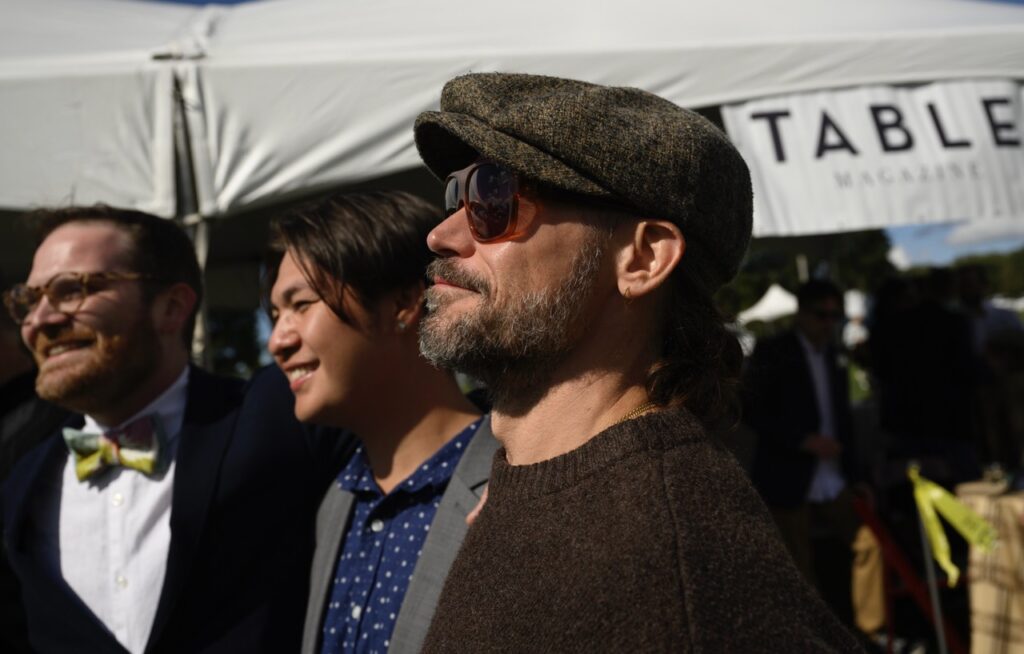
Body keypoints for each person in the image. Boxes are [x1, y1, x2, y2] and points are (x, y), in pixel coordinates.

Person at [412, 73, 861, 652]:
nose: (441, 234)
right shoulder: (552, 486)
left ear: (643, 258)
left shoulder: (680, 576)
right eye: (456, 195)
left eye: (492, 196)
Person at [1, 205, 347, 654]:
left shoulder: (277, 414)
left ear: (171, 308)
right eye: (28, 301)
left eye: (72, 290)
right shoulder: (20, 483)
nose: (39, 321)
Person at [266, 191, 498, 654]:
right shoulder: (337, 501)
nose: (277, 341)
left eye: (301, 304)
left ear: (403, 304)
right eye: (274, 315)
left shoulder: (514, 481)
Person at [745, 279, 871, 627]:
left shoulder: (834, 354)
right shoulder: (773, 351)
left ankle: (872, 628)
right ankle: (814, 636)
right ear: (801, 313)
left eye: (835, 316)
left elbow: (843, 419)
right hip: (788, 474)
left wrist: (858, 476)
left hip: (833, 475)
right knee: (798, 566)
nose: (829, 323)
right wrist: (801, 440)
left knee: (869, 544)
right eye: (821, 315)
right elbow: (751, 410)